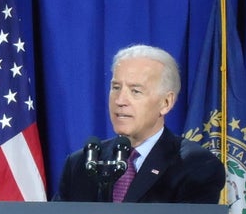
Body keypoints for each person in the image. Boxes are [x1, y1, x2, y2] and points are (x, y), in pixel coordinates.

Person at [55, 44, 225, 203]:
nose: (120, 100)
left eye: (135, 91)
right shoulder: (81, 163)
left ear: (166, 102)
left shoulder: (195, 165)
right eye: (115, 88)